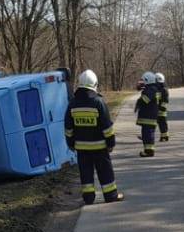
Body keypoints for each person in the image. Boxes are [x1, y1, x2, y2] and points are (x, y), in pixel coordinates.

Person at [64, 69, 124, 204]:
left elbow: (68, 127)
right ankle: (111, 196)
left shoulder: (72, 103)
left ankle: (88, 198)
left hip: (82, 149)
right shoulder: (98, 102)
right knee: (105, 171)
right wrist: (111, 143)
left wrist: (71, 143)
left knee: (85, 173)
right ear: (94, 84)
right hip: (100, 147)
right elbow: (107, 127)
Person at [135, 71, 160, 157]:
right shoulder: (151, 89)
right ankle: (148, 150)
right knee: (146, 134)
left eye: (143, 81)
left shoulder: (151, 90)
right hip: (149, 117)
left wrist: (139, 101)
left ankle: (149, 151)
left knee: (148, 134)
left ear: (148, 80)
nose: (141, 83)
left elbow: (145, 100)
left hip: (148, 117)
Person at [155, 72, 170, 142]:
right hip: (159, 110)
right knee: (162, 124)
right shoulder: (160, 89)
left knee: (162, 124)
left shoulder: (163, 90)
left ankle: (164, 137)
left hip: (161, 110)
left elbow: (165, 100)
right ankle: (164, 136)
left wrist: (161, 108)